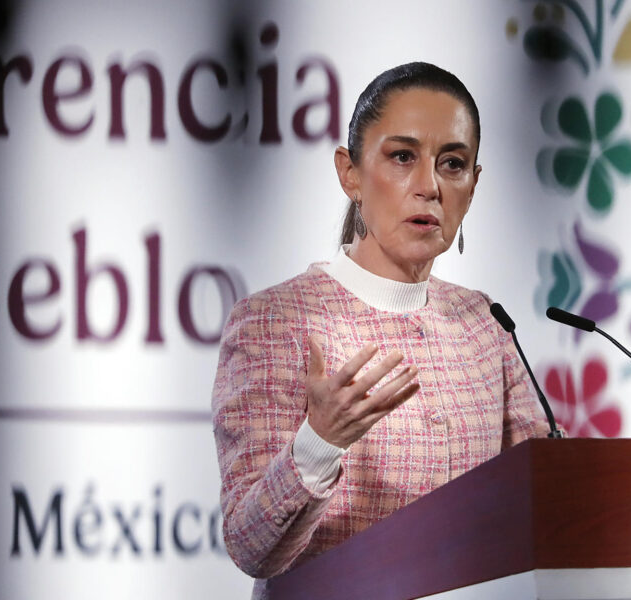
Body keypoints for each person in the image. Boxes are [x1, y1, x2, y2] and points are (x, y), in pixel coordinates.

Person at [210, 62, 549, 594]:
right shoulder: (273, 322)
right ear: (350, 173)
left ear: (474, 185)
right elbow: (252, 547)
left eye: (453, 164)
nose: (429, 186)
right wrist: (320, 441)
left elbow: (548, 500)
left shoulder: (486, 324)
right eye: (402, 157)